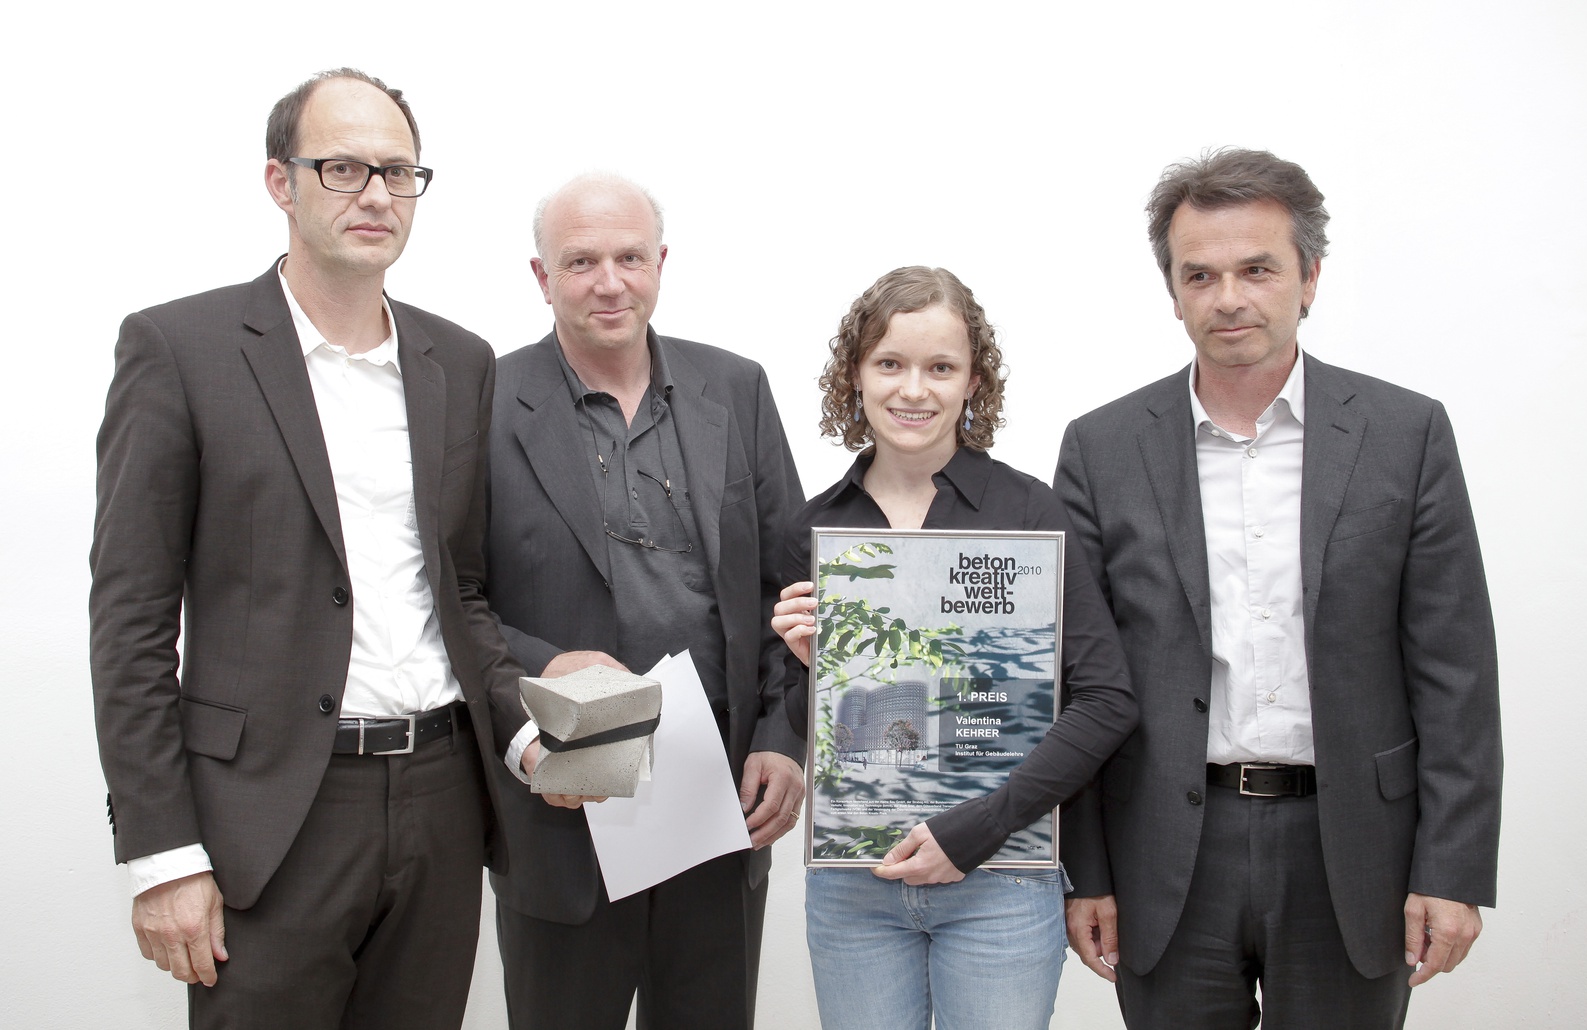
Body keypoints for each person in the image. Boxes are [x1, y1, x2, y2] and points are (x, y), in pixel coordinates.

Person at [89, 69, 529, 1028]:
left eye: (398, 172)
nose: (376, 194)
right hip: (270, 816)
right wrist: (163, 854)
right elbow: (129, 622)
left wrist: (525, 728)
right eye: (343, 168)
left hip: (444, 797)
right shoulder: (179, 348)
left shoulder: (460, 360)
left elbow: (460, 587)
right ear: (280, 183)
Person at [1054, 148, 1502, 1029]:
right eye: (1201, 275)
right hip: (1166, 851)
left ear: (1310, 278)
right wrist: (1087, 871)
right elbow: (1079, 680)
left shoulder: (1406, 434)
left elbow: (1456, 672)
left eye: (1257, 269)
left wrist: (1450, 870)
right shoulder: (1101, 449)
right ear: (1173, 292)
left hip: (1355, 851)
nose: (1229, 297)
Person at [771, 266, 1137, 1030]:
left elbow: (1107, 700)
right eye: (890, 363)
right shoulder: (813, 530)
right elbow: (830, 734)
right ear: (855, 374)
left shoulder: (1029, 512)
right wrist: (818, 673)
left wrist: (983, 826)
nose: (914, 389)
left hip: (1002, 878)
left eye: (940, 367)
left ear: (974, 382)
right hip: (855, 884)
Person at [482, 173, 805, 1030]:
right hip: (565, 809)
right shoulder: (482, 401)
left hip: (720, 803)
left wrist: (782, 739)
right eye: (580, 261)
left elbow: (791, 590)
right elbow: (452, 597)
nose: (609, 282)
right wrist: (544, 676)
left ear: (661, 262)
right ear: (541, 276)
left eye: (630, 257)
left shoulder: (737, 388)